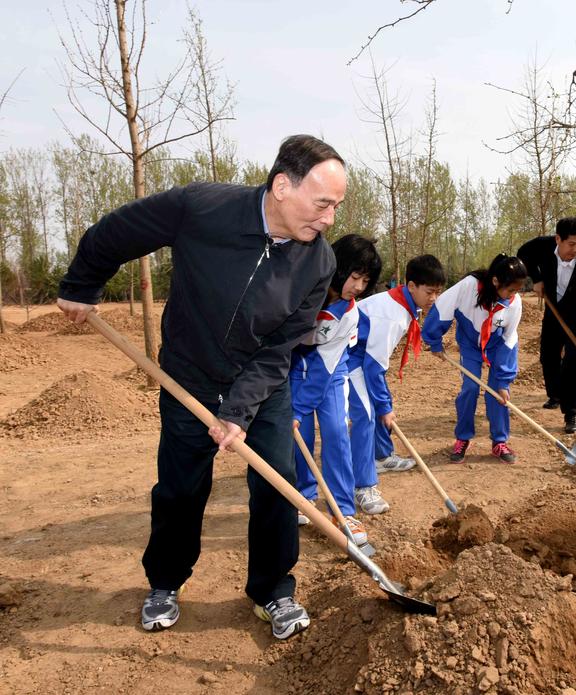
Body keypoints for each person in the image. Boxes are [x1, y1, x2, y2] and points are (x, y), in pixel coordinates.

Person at [56, 134, 345, 640]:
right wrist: (81, 286)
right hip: (187, 375)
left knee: (277, 481)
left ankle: (273, 590)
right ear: (282, 186)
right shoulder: (202, 208)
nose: (329, 219)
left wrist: (238, 411)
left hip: (260, 384)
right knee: (181, 487)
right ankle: (166, 582)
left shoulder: (318, 262)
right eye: (323, 204)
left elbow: (281, 348)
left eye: (337, 207)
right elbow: (116, 232)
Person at [290, 234, 382, 547]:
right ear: (337, 267)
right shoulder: (302, 289)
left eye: (365, 281)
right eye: (355, 276)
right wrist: (294, 409)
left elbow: (324, 368)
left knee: (336, 432)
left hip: (329, 373)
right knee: (297, 436)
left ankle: (342, 510)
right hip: (290, 369)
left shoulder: (349, 313)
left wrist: (300, 409)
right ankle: (301, 498)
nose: (358, 287)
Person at [347, 254, 446, 514]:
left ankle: (381, 456)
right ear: (411, 286)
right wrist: (383, 406)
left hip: (364, 358)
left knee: (381, 402)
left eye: (438, 292)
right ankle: (363, 486)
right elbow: (372, 366)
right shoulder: (391, 314)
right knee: (368, 414)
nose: (433, 298)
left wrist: (384, 403)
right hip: (348, 359)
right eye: (430, 291)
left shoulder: (403, 303)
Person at [422, 253, 528, 463]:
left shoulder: (514, 303)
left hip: (498, 347)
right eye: (510, 289)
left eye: (517, 290)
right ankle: (463, 438)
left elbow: (509, 339)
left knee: (499, 394)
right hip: (471, 345)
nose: (513, 295)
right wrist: (434, 340)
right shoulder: (469, 286)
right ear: (496, 280)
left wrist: (504, 380)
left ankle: (499, 441)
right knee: (470, 388)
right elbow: (443, 307)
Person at [517, 217, 576, 434]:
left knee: (574, 363)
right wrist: (536, 279)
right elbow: (523, 253)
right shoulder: (543, 246)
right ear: (558, 239)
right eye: (572, 244)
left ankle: (571, 413)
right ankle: (555, 395)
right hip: (554, 311)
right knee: (548, 355)